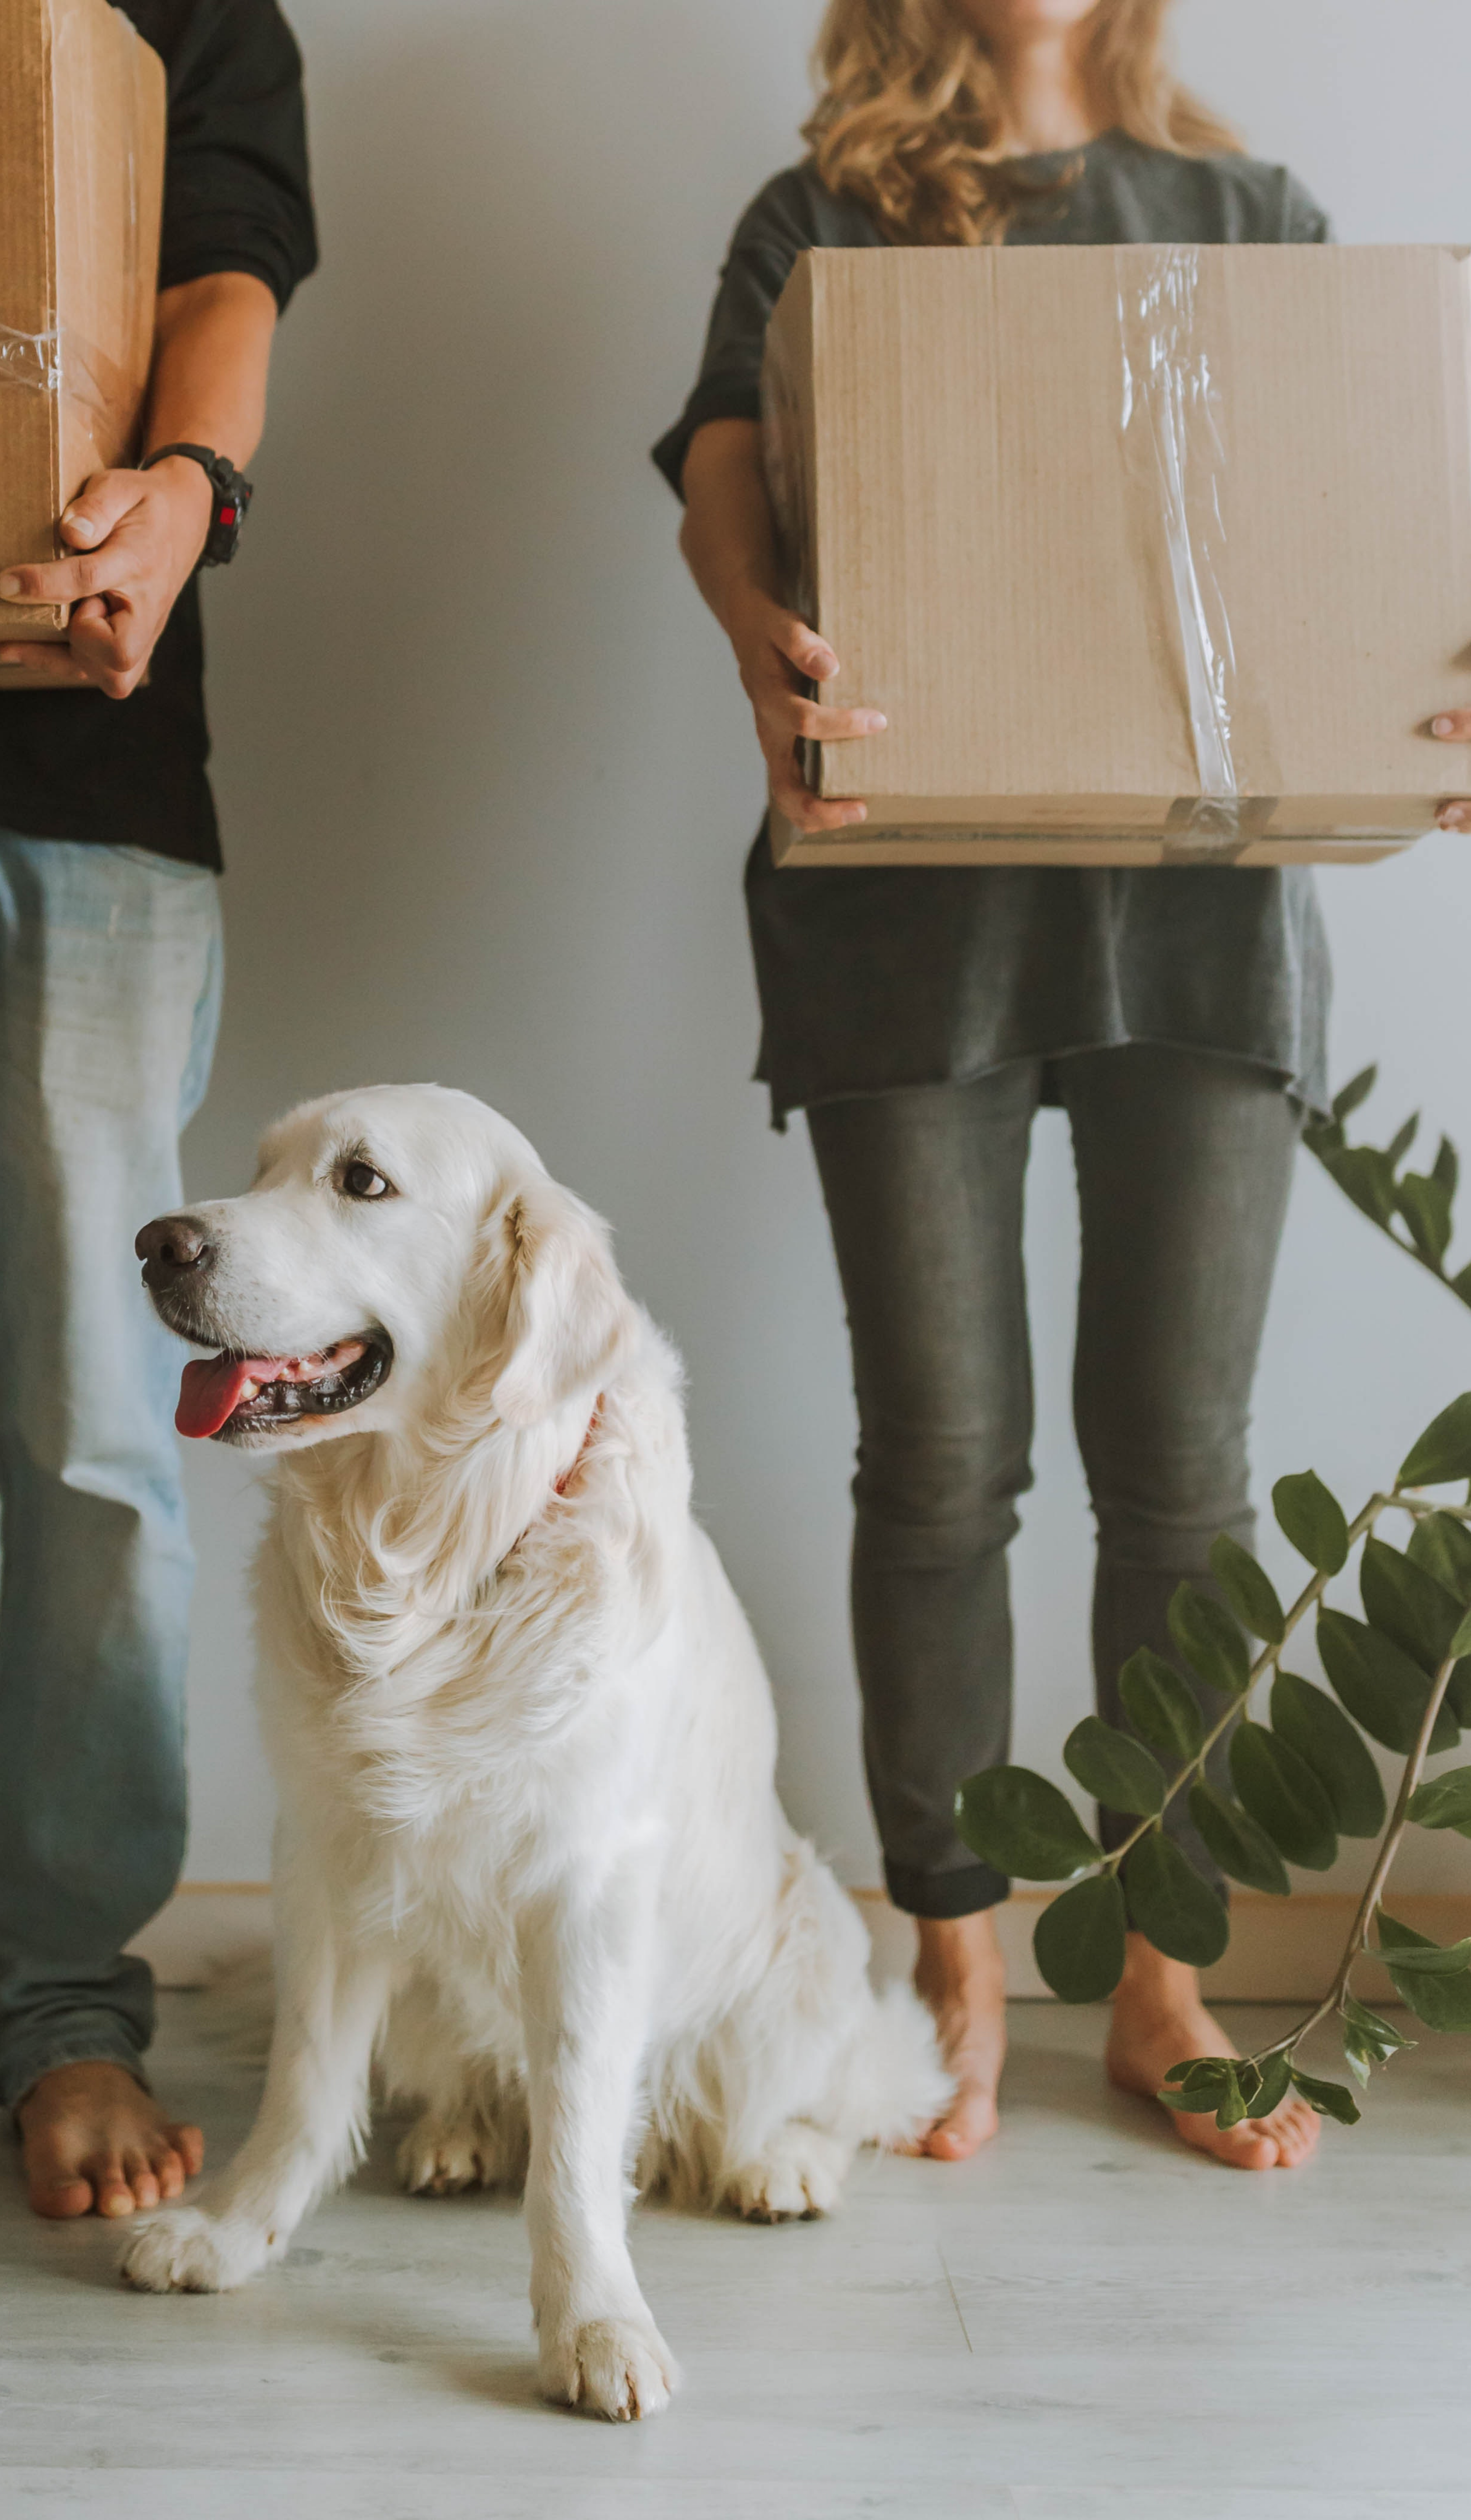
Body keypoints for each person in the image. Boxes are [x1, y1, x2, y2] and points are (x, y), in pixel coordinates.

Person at [657, 0, 1471, 2170]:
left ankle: (1167, 1975)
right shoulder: (822, 220)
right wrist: (763, 637)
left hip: (1196, 923)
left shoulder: (1250, 220)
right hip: (900, 911)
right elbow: (725, 502)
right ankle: (956, 1952)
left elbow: (1371, 515)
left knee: (1180, 1481)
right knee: (943, 1462)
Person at [0, 0, 316, 2218]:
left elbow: (225, 276)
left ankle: (69, 2017)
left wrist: (184, 499)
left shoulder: (182, 7)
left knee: (103, 1438)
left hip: (89, 790)